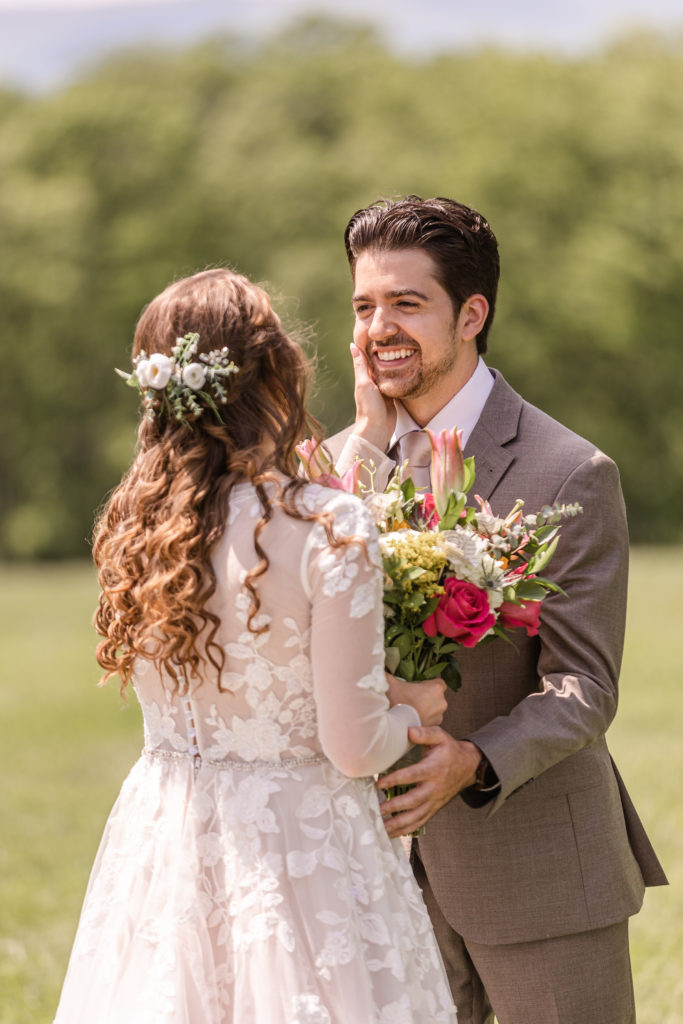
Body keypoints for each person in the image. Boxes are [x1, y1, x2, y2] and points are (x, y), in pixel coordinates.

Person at [52, 268, 458, 1023]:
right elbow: (353, 746)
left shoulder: (140, 530)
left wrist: (365, 441)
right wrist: (415, 710)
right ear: (275, 374)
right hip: (301, 850)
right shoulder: (329, 527)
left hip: (166, 838)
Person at [327, 196, 667, 1024]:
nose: (379, 329)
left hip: (536, 873)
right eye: (365, 306)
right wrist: (364, 449)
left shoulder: (568, 472)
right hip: (375, 884)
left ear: (472, 313)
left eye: (407, 303)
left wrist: (471, 760)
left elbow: (584, 686)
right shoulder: (343, 462)